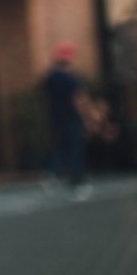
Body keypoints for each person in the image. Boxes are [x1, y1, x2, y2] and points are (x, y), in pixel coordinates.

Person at [42, 42, 93, 200]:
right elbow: (78, 100)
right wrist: (87, 118)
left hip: (55, 118)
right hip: (71, 118)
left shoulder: (50, 77)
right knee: (75, 148)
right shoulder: (71, 78)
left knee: (60, 148)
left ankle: (53, 175)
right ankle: (76, 180)